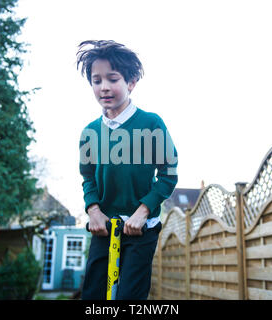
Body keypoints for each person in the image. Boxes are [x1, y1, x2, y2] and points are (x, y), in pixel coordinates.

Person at [76, 40, 178, 300]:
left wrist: (143, 212)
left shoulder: (151, 123)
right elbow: (88, 177)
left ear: (131, 83)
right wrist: (94, 210)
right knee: (93, 296)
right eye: (97, 81)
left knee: (130, 297)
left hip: (140, 229)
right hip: (103, 227)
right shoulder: (90, 132)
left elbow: (168, 174)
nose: (104, 87)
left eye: (112, 79)